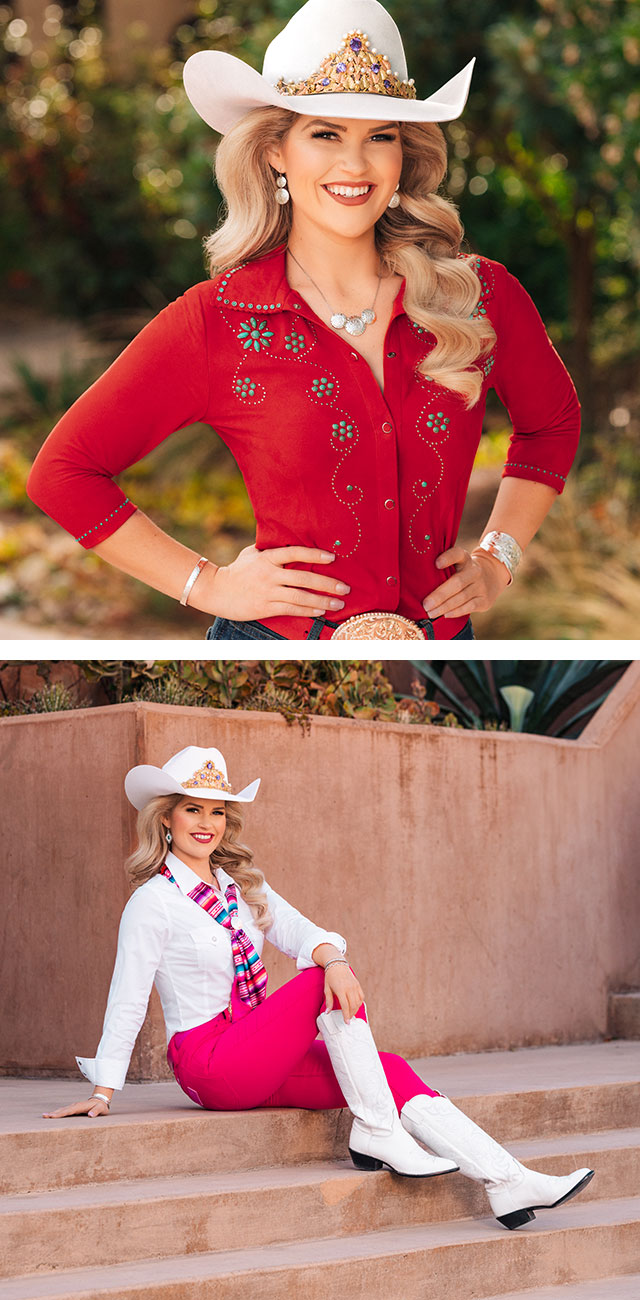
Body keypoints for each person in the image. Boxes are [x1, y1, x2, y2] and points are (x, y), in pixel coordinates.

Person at [26, 0, 580, 642]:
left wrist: (499, 557)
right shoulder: (220, 321)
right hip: (271, 646)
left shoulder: (479, 296)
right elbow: (63, 474)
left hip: (441, 648)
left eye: (381, 136)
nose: (356, 165)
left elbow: (552, 425)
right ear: (274, 152)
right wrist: (205, 583)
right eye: (326, 133)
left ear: (406, 154)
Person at [44, 744, 594, 1231]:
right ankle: (378, 1133)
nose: (206, 822)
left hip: (256, 1049)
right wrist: (104, 1090)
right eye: (192, 808)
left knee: (390, 1066)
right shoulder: (153, 902)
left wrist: (334, 957)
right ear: (166, 819)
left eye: (217, 810)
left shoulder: (240, 888)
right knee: (317, 985)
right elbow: (129, 994)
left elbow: (302, 932)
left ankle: (507, 1181)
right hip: (209, 1062)